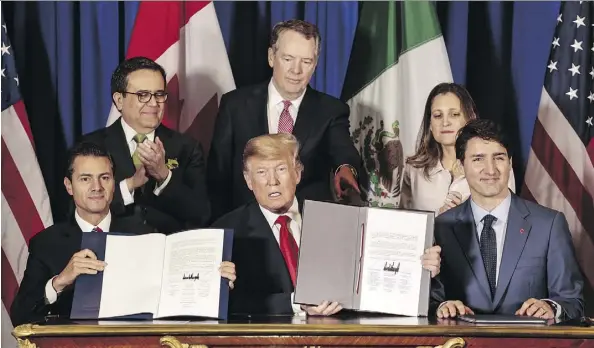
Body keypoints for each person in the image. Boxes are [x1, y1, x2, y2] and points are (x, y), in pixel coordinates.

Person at [212, 133, 441, 316]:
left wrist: (418, 268)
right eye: (261, 172)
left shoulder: (337, 217)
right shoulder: (228, 231)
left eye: (281, 169)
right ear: (248, 181)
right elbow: (233, 303)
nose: (272, 181)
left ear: (298, 174)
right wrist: (299, 303)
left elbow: (372, 274)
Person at [10, 142, 236, 326]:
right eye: (85, 178)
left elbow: (173, 296)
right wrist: (59, 282)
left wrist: (215, 281)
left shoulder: (144, 234)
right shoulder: (46, 243)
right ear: (69, 186)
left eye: (104, 177)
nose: (96, 187)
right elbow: (20, 316)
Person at [207, 19, 363, 223]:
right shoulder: (235, 105)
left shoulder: (330, 111)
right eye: (288, 59)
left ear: (315, 64)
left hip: (304, 227)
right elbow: (218, 176)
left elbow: (344, 153)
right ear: (272, 57)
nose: (296, 70)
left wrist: (346, 169)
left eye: (306, 62)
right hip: (246, 228)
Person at [432, 119, 583, 320]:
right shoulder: (441, 227)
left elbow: (573, 301)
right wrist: (442, 306)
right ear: (461, 166)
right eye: (478, 159)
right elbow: (428, 300)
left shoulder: (549, 225)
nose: (491, 170)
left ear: (510, 162)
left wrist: (551, 307)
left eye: (499, 158)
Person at [81, 57, 210, 234]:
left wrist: (164, 177)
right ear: (119, 100)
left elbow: (201, 213)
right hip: (112, 250)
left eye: (159, 94)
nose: (153, 103)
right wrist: (129, 185)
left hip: (167, 252)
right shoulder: (90, 146)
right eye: (143, 95)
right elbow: (76, 209)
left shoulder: (187, 147)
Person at [401, 83, 516, 215]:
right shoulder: (415, 167)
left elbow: (504, 217)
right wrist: (439, 217)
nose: (445, 123)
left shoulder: (494, 165)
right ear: (430, 125)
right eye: (438, 116)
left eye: (454, 114)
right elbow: (405, 225)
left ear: (470, 118)